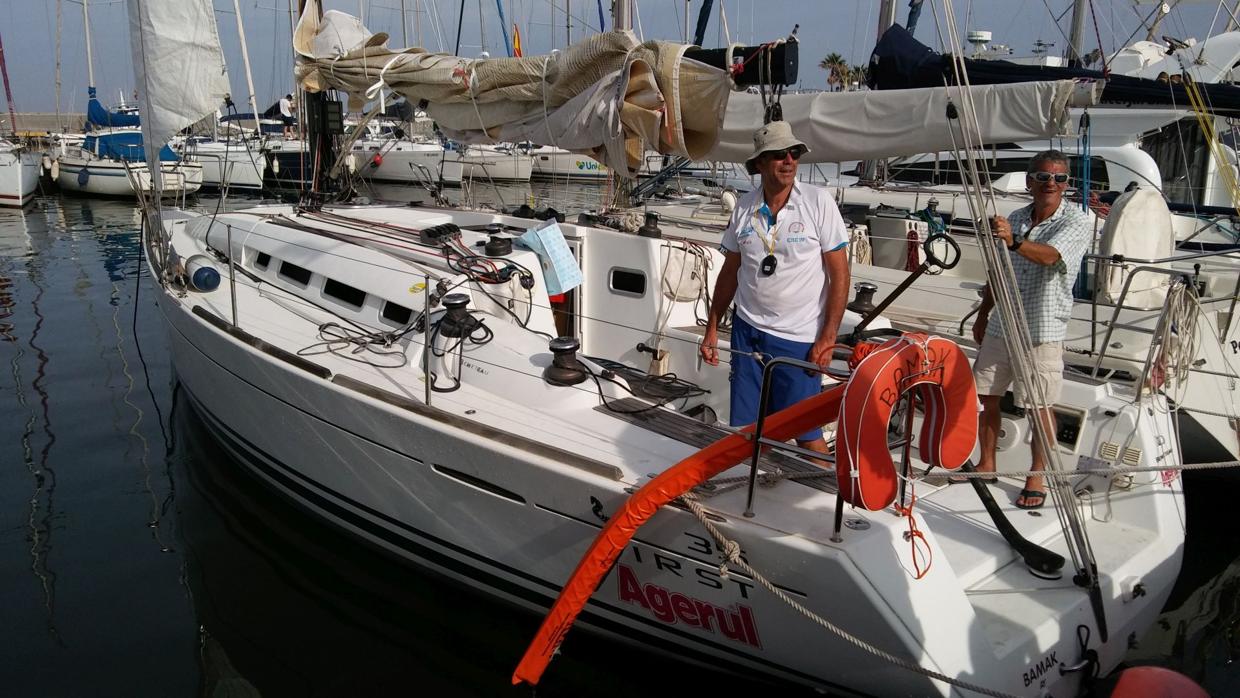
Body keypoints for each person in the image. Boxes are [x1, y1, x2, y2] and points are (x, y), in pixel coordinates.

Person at [699, 121, 850, 460]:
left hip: (797, 339)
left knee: (804, 431)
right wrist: (711, 328)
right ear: (759, 164)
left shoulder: (818, 202)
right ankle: (759, 489)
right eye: (779, 155)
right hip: (747, 332)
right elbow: (729, 272)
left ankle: (826, 494)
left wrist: (828, 337)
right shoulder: (743, 207)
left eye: (794, 153)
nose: (789, 160)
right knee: (748, 428)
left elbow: (840, 274)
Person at [970, 150, 1093, 509]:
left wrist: (1014, 241)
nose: (1051, 183)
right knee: (986, 396)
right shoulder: (1017, 217)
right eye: (1042, 177)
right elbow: (999, 270)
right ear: (1029, 182)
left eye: (1059, 178)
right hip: (1001, 325)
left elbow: (1052, 256)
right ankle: (986, 463)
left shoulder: (1077, 221)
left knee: (1040, 406)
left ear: (1067, 184)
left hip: (1041, 328)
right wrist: (983, 314)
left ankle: (1036, 475)